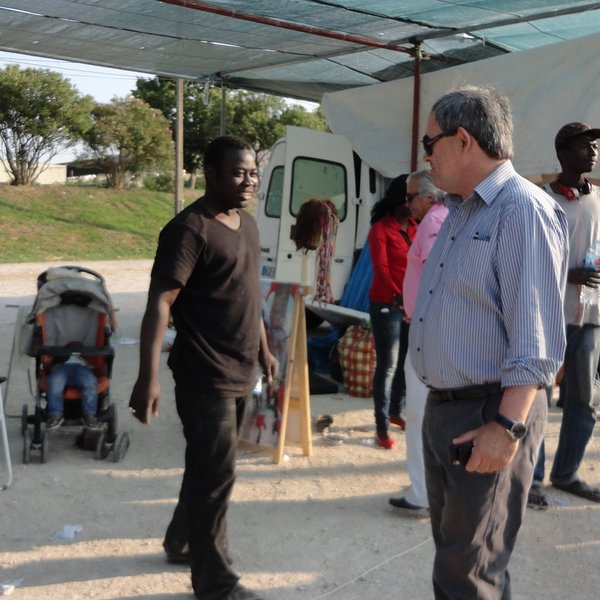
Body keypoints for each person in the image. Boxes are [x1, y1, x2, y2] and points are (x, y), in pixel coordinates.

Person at [410, 86, 568, 598]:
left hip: (490, 414)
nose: (425, 154)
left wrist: (507, 425)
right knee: (457, 559)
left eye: (428, 141)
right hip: (449, 411)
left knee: (470, 572)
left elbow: (537, 331)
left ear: (462, 140)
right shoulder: (462, 210)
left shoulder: (521, 209)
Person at [129, 135, 278, 600]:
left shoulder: (248, 226)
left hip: (240, 370)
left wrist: (264, 350)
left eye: (253, 172)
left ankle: (181, 540)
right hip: (204, 375)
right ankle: (215, 583)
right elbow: (161, 301)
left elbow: (248, 296)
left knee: (208, 467)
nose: (249, 180)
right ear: (211, 173)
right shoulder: (188, 229)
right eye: (238, 172)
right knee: (217, 476)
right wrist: (146, 376)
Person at [543, 122, 600, 503]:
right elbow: (528, 257)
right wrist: (569, 274)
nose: (593, 153)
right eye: (585, 146)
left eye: (595, 147)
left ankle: (566, 473)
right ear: (563, 152)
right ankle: (527, 480)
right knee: (534, 400)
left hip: (590, 315)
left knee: (584, 400)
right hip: (548, 315)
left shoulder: (598, 199)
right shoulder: (542, 200)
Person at [388, 169, 447, 514]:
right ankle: (435, 489)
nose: (406, 204)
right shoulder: (449, 216)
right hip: (432, 328)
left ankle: (422, 493)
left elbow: (439, 276)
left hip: (428, 333)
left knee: (418, 416)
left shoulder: (434, 221)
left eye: (410, 197)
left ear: (428, 196)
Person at [367, 175, 417, 449]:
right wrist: (398, 295)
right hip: (387, 303)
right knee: (387, 364)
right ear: (400, 199)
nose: (413, 204)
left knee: (403, 362)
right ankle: (381, 426)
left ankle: (396, 411)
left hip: (407, 303)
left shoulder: (414, 227)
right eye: (410, 198)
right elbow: (382, 269)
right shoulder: (380, 229)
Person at [46, 342, 101, 430]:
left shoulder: (84, 361)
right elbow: (48, 365)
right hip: (62, 366)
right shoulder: (59, 358)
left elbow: (94, 371)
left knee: (90, 382)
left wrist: (95, 371)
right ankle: (55, 414)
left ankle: (89, 414)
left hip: (81, 367)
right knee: (54, 382)